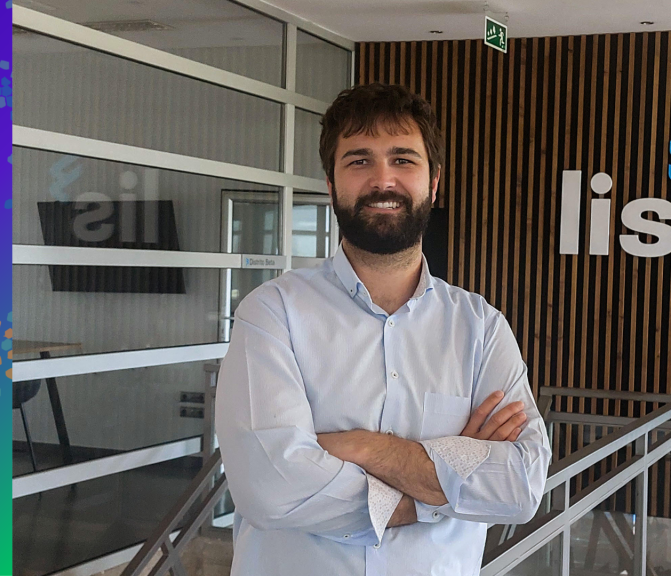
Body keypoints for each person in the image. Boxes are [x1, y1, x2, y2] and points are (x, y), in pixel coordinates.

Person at [215, 82, 551, 576]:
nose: (382, 180)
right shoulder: (272, 314)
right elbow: (271, 489)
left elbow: (521, 486)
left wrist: (365, 447)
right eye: (359, 161)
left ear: (434, 182)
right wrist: (446, 487)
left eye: (403, 159)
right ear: (331, 184)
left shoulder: (480, 327)